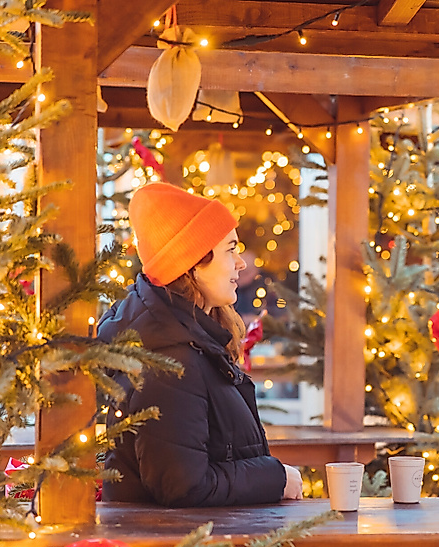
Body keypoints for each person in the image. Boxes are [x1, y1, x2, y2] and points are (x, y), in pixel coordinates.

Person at [98, 182, 303, 508]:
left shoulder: (192, 340)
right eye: (230, 249)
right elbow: (182, 484)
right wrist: (276, 477)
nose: (240, 263)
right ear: (192, 262)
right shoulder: (169, 359)